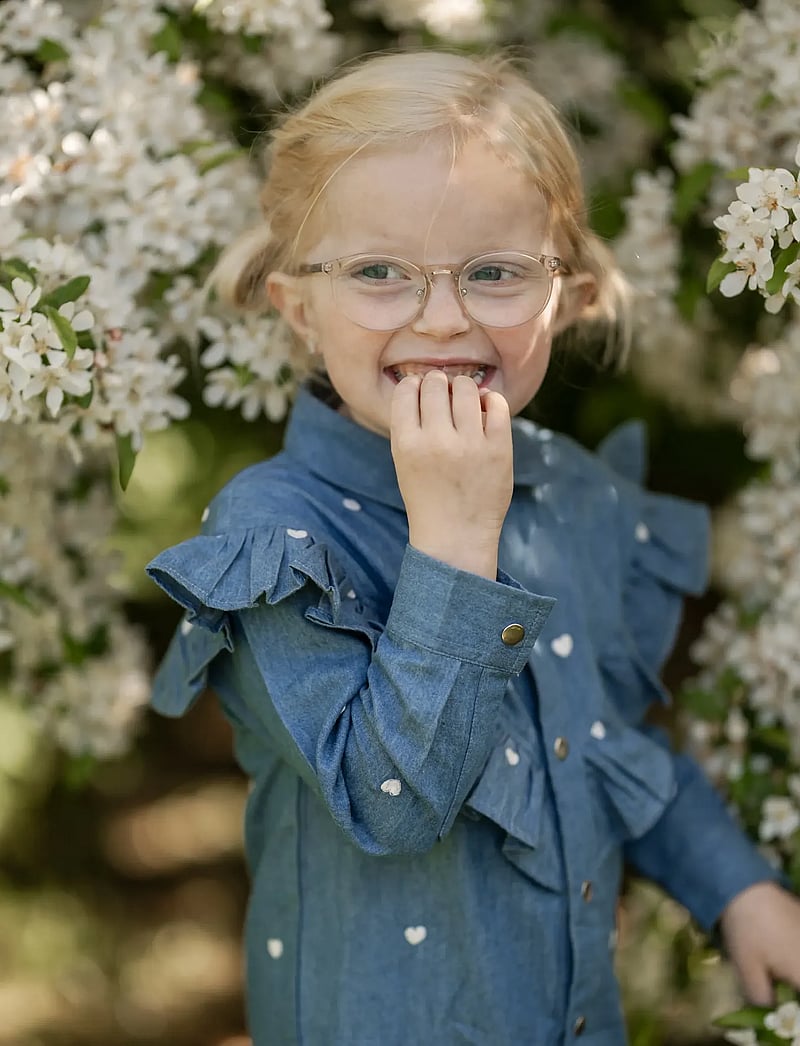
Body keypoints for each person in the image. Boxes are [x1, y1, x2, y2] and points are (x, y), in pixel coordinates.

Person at [145, 49, 800, 1046]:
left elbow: (601, 747)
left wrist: (736, 885)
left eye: (494, 272)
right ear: (296, 308)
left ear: (568, 298)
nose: (440, 316)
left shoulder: (574, 497)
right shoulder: (276, 532)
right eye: (377, 272)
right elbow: (388, 801)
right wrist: (453, 540)